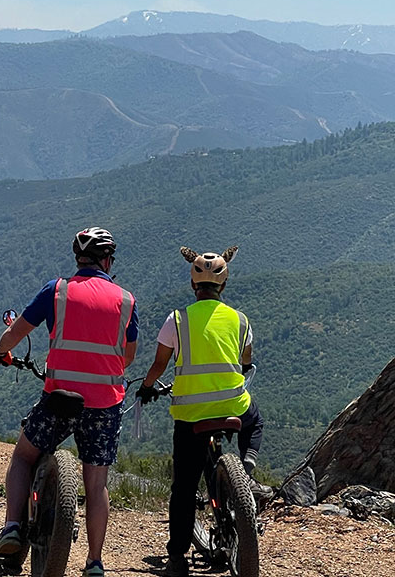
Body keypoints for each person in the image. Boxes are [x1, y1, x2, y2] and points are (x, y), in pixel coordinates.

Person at [0, 227, 138, 577]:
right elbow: (127, 356)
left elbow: (15, 333)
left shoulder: (57, 291)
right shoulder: (126, 300)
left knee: (24, 456)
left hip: (60, 398)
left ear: (78, 259)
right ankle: (95, 562)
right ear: (108, 261)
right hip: (104, 404)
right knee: (96, 484)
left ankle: (12, 525)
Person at [135, 246, 259, 577]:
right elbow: (246, 363)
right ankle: (248, 465)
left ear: (193, 285)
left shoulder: (177, 320)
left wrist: (146, 389)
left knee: (184, 489)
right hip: (234, 407)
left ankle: (177, 558)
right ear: (225, 284)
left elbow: (159, 365)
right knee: (255, 419)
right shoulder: (240, 320)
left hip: (190, 418)